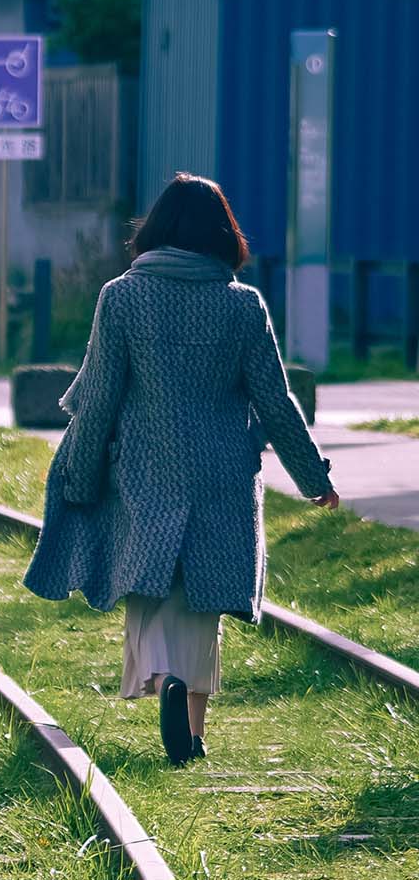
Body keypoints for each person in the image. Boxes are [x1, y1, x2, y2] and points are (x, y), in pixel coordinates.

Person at [24, 172, 339, 767]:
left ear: (159, 228)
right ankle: (191, 734)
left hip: (147, 470)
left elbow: (99, 398)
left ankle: (164, 681)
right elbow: (276, 401)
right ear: (224, 236)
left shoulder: (121, 296)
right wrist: (313, 478)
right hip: (223, 477)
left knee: (154, 589)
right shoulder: (243, 305)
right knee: (204, 601)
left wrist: (82, 473)